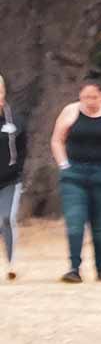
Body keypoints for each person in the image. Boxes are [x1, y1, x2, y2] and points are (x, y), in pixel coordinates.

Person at [49, 77, 101, 283]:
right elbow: (57, 140)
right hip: (74, 174)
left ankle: (100, 270)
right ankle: (74, 269)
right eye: (85, 96)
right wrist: (63, 164)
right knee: (75, 222)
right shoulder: (70, 111)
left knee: (99, 226)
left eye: (93, 97)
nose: (89, 101)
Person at [0, 74, 21, 280]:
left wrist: (17, 170)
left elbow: (23, 147)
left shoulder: (14, 119)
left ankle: (12, 263)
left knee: (7, 219)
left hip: (9, 181)